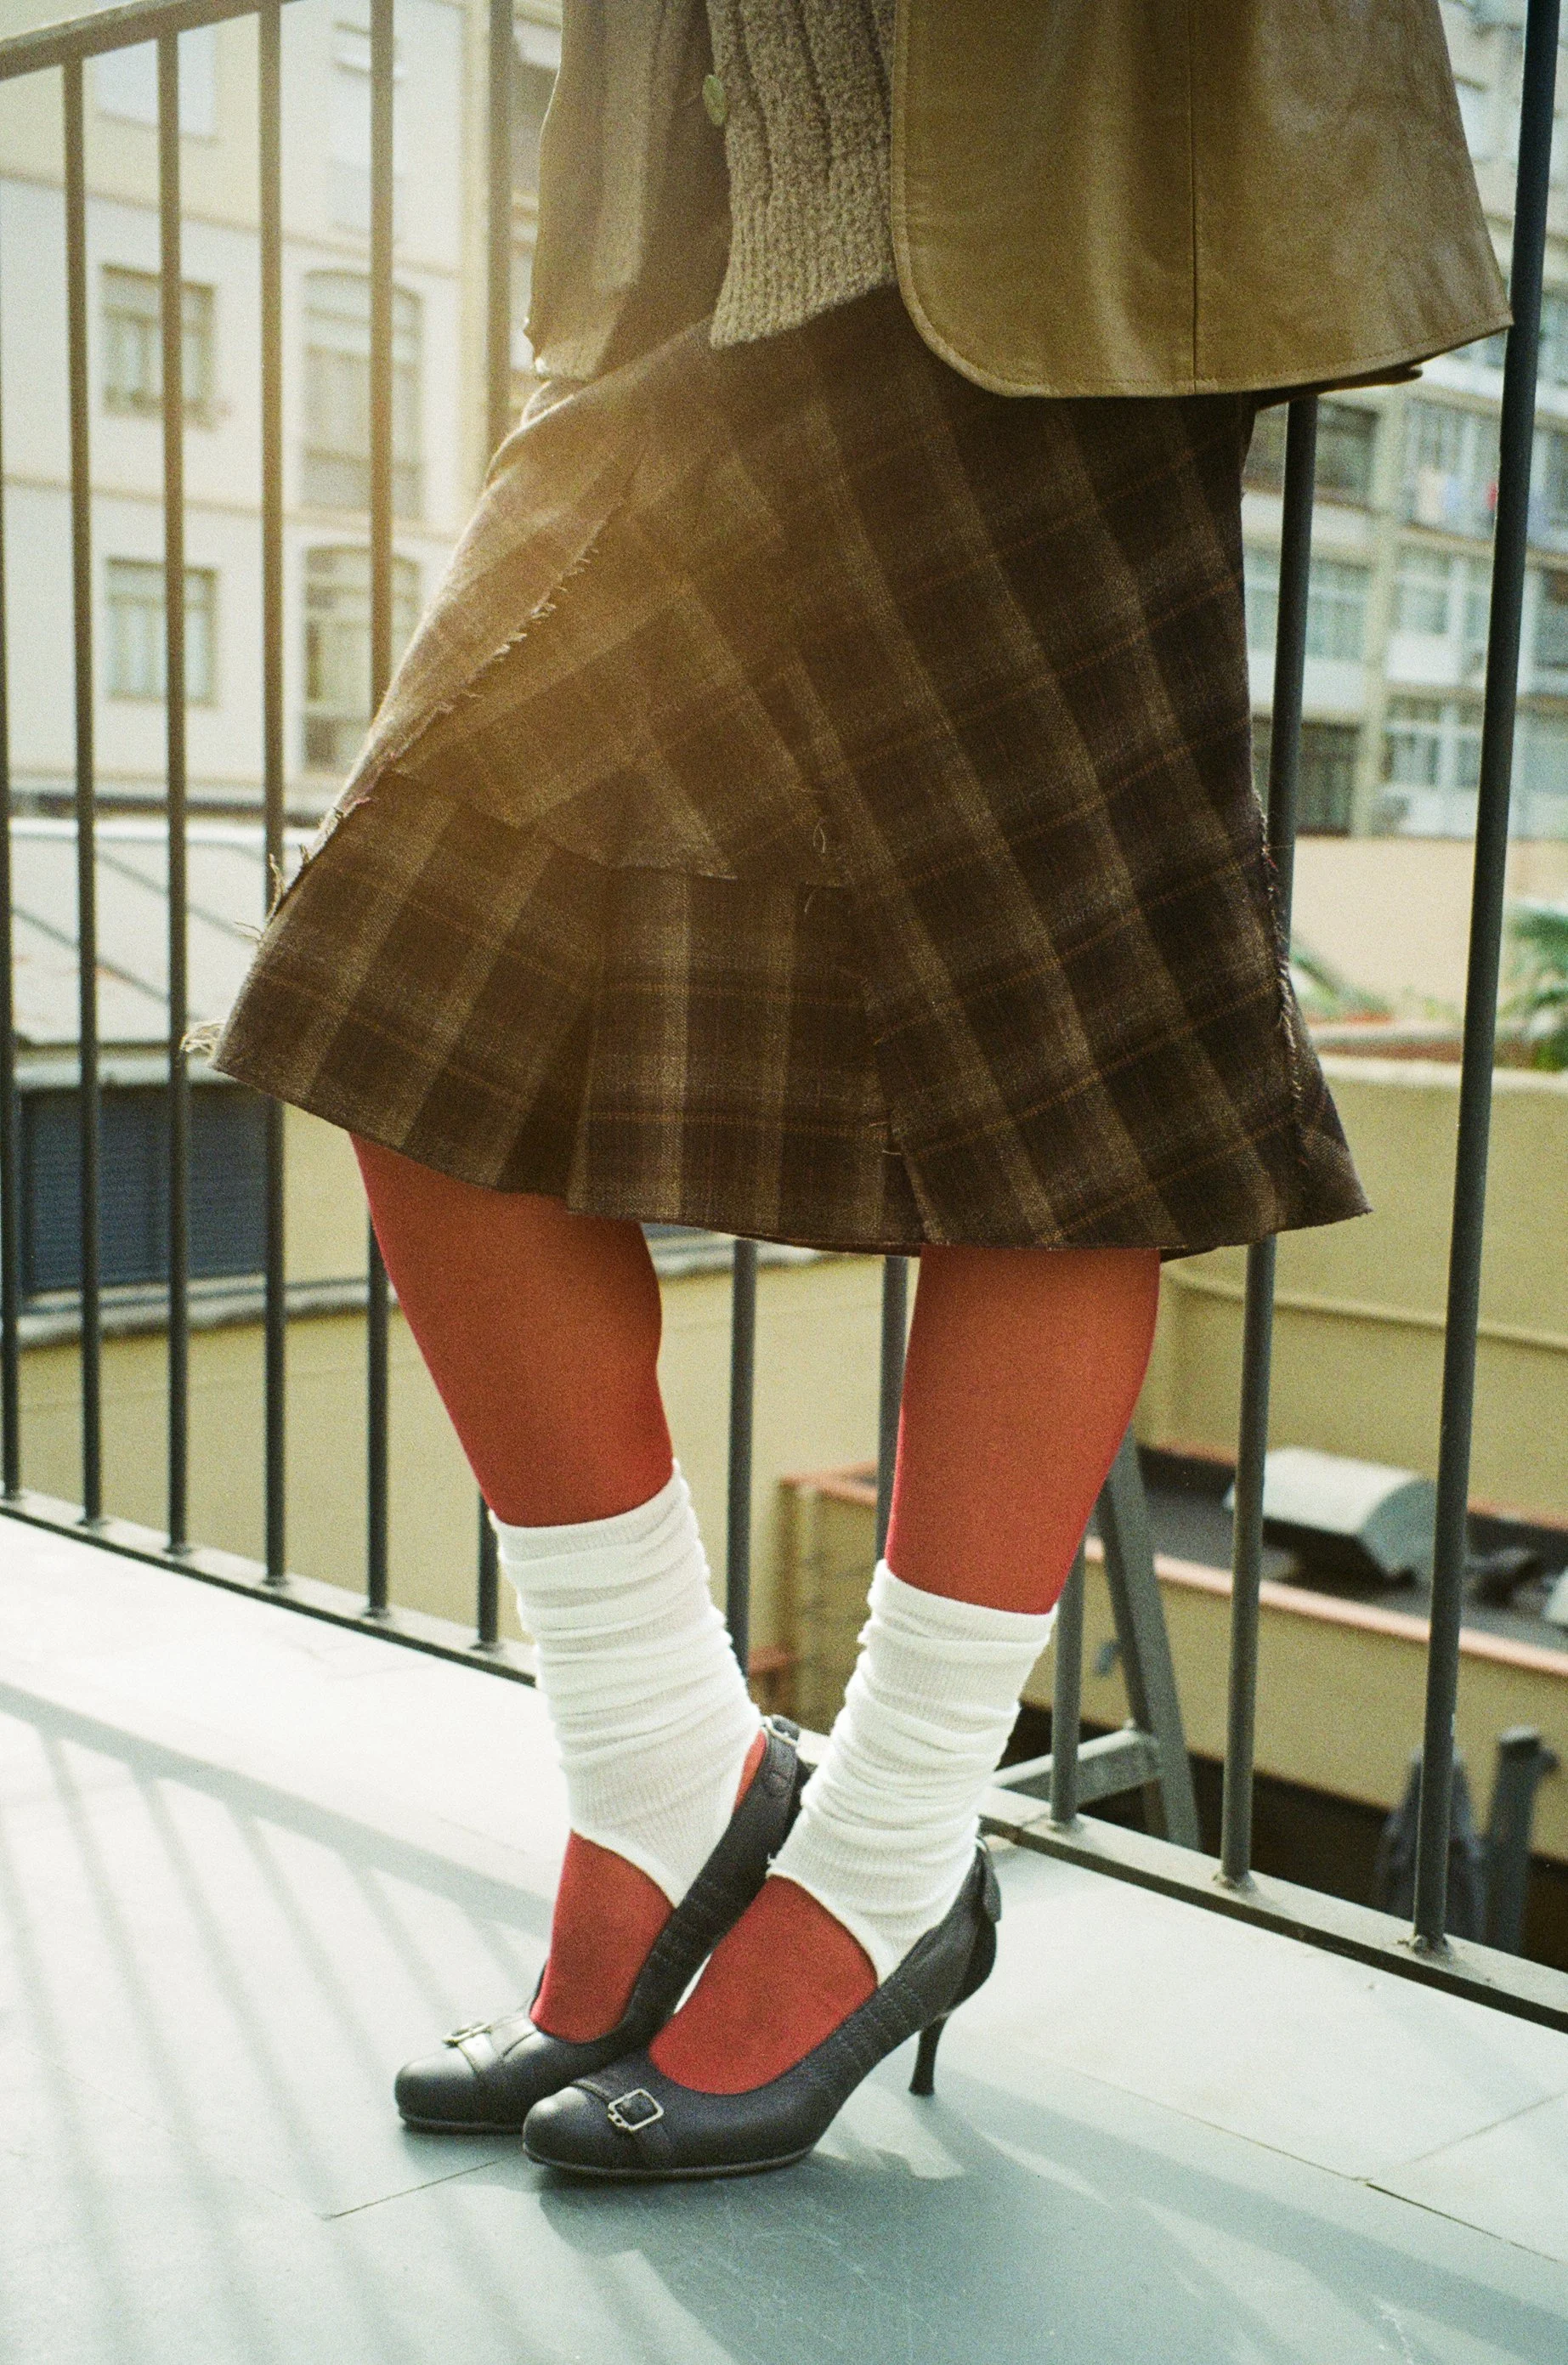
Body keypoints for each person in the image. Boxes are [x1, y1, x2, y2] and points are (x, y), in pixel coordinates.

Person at [212, 1, 1505, 2181]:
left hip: (1049, 279)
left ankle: (892, 1851)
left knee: (1057, 1087)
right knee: (395, 999)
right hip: (689, 281)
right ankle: (666, 1772)